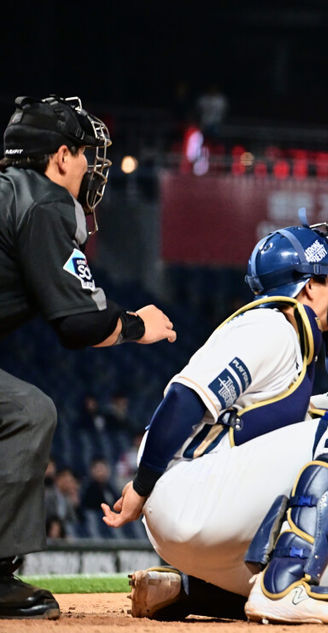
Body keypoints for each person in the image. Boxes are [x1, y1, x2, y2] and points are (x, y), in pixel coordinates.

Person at [104, 220, 328, 624]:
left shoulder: (289, 335)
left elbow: (311, 414)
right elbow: (183, 397)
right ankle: (284, 590)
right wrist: (143, 484)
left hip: (199, 509)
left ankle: (184, 591)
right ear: (309, 286)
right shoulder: (269, 327)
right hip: (190, 497)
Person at [0, 95, 176, 620]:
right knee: (26, 412)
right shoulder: (46, 200)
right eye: (82, 154)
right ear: (59, 158)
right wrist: (140, 325)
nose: (87, 168)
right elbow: (78, 323)